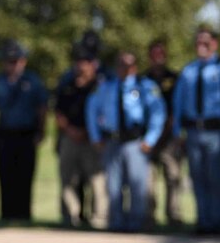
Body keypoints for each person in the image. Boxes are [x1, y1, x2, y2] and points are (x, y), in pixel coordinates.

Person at [86, 52, 166, 232]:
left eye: (128, 65)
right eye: (121, 65)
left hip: (135, 142)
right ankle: (116, 222)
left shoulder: (145, 87)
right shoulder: (106, 87)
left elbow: (158, 114)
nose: (124, 69)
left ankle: (136, 224)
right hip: (112, 141)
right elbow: (92, 110)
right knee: (113, 185)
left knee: (137, 185)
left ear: (135, 67)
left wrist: (150, 139)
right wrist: (95, 136)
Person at [0, 40, 48, 221]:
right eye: (9, 61)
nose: (13, 65)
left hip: (26, 134)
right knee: (5, 176)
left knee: (25, 177)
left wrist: (42, 132)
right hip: (6, 134)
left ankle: (24, 215)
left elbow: (42, 108)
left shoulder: (33, 81)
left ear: (23, 61)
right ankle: (6, 215)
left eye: (16, 60)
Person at [172, 27, 220, 235]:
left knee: (216, 178)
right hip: (193, 131)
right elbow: (178, 104)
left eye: (206, 42)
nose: (202, 46)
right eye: (198, 42)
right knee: (197, 178)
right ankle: (203, 221)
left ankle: (217, 221)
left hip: (216, 131)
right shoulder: (188, 71)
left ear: (215, 44)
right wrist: (177, 132)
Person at [53, 42, 106, 228]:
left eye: (86, 61)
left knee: (97, 180)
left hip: (93, 139)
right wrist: (70, 131)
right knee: (68, 180)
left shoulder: (100, 85)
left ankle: (100, 219)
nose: (82, 65)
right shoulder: (66, 83)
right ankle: (70, 218)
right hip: (70, 137)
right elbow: (58, 112)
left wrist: (90, 132)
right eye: (79, 61)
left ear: (93, 64)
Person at [144, 39, 183, 227]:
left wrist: (172, 129)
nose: (157, 57)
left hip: (169, 137)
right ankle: (149, 216)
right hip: (149, 137)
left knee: (173, 176)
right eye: (154, 54)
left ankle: (173, 215)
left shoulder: (175, 78)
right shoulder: (144, 79)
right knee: (148, 180)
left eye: (161, 54)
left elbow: (179, 106)